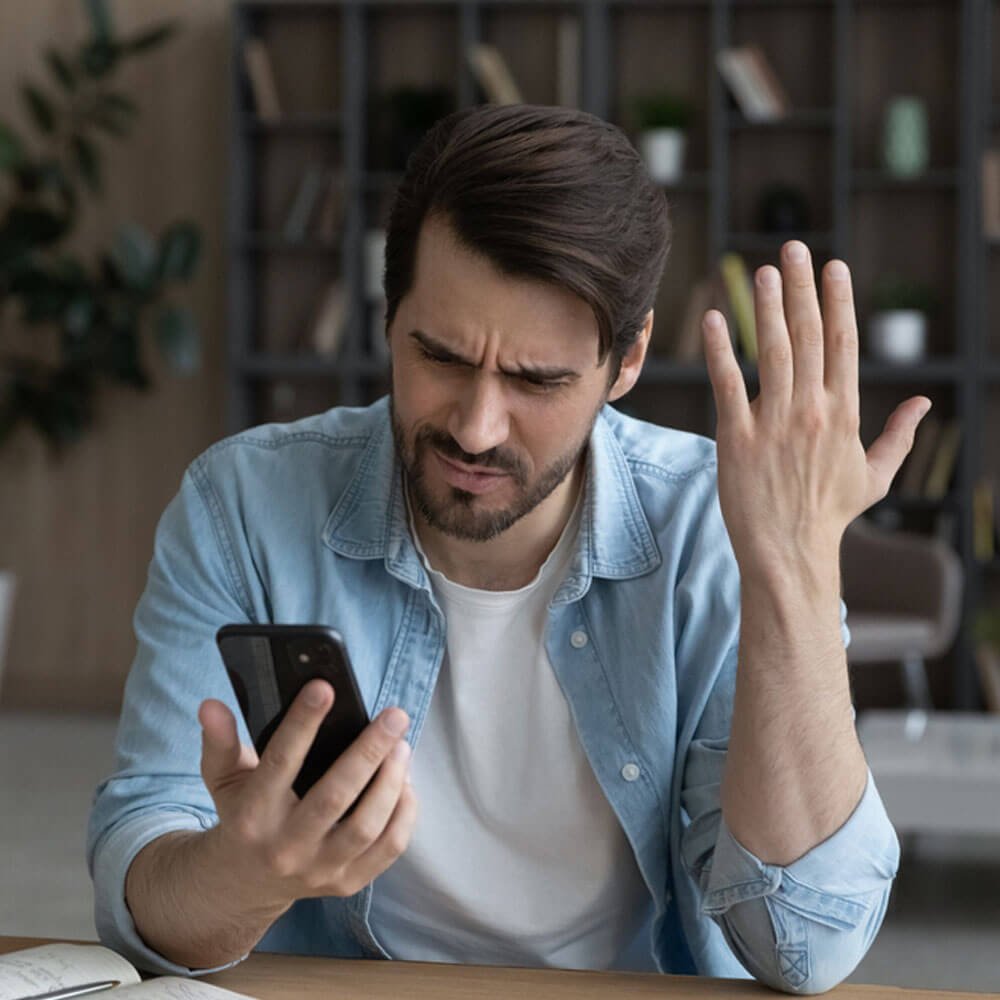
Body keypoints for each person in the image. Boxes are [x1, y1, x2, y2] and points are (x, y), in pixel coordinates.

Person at [88, 104, 923, 993]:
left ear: (629, 359)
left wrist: (793, 570)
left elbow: (805, 948)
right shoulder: (243, 507)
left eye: (537, 380)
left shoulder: (715, 529)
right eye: (441, 356)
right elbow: (143, 893)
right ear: (387, 316)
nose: (477, 429)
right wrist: (247, 874)